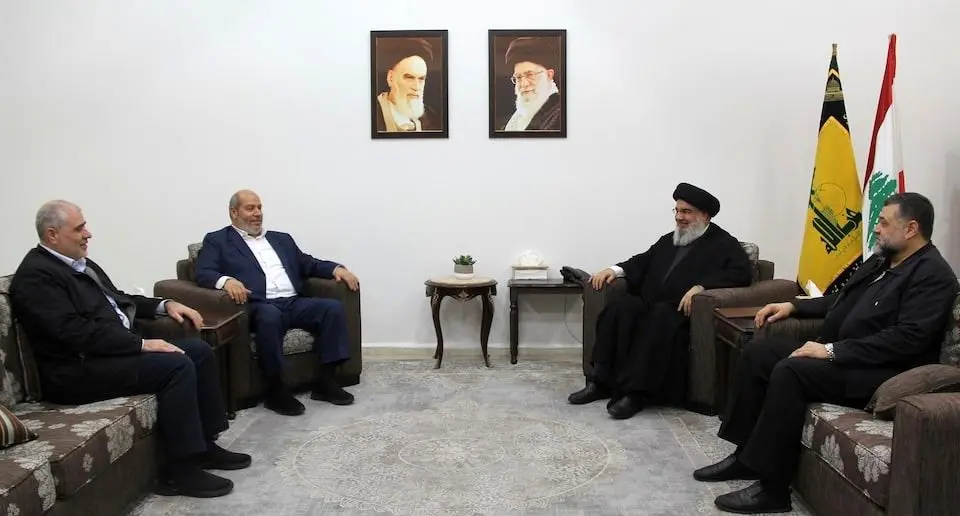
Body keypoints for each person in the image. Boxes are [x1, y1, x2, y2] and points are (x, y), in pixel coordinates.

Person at [694, 192, 958, 514]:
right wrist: (794, 305)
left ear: (911, 228)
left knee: (791, 371)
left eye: (883, 222)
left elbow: (907, 339)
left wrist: (832, 351)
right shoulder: (882, 260)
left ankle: (773, 490)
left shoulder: (934, 275)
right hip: (847, 357)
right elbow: (841, 298)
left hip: (880, 372)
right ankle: (745, 456)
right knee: (758, 352)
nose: (876, 228)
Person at [10, 200, 250, 499]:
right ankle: (180, 471)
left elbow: (119, 299)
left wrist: (165, 304)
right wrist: (141, 344)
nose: (88, 234)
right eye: (79, 228)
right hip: (76, 371)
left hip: (109, 354)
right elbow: (73, 334)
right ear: (52, 235)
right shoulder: (36, 276)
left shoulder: (79, 263)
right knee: (176, 366)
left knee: (197, 352)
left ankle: (205, 445)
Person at [568, 183, 752, 420]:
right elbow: (643, 261)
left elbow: (741, 273)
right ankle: (600, 381)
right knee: (620, 309)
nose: (679, 217)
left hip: (679, 312)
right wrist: (614, 270)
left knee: (659, 317)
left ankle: (635, 393)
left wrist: (702, 286)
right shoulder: (670, 239)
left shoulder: (724, 243)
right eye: (677, 210)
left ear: (705, 215)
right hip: (650, 302)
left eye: (686, 212)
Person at [194, 189, 360, 416]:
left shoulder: (281, 239)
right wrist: (226, 281)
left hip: (293, 302)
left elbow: (307, 263)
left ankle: (326, 381)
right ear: (234, 212)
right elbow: (203, 272)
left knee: (331, 308)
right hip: (259, 305)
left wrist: (336, 269)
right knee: (270, 317)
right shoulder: (218, 240)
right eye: (250, 208)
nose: (257, 213)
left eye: (259, 207)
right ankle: (276, 390)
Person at [374, 37, 443, 132]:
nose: (417, 87)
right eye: (409, 78)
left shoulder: (432, 118)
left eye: (421, 79)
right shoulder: (373, 113)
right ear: (390, 78)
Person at [500, 36, 562, 132]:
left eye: (530, 75)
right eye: (518, 77)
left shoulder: (559, 115)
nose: (523, 83)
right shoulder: (517, 117)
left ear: (549, 75)